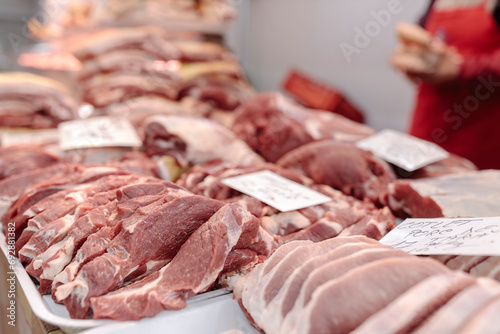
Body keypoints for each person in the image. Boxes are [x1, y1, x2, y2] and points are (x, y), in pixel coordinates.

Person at [391, 0, 500, 170]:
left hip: (481, 134)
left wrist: (460, 68)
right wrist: (411, 59)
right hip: (429, 123)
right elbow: (421, 38)